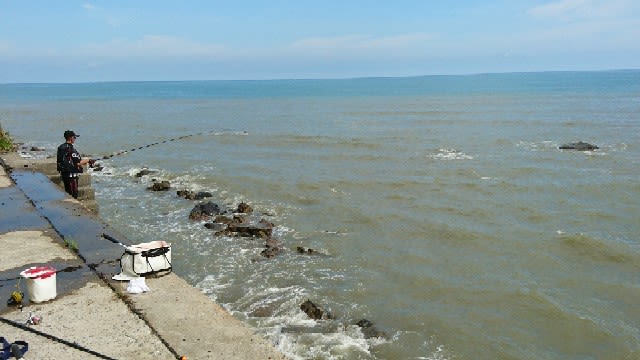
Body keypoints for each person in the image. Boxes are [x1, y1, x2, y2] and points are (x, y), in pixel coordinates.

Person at [56, 130, 94, 198]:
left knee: (68, 193)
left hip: (64, 174)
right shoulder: (71, 149)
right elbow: (78, 163)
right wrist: (88, 160)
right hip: (71, 176)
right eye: (74, 137)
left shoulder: (61, 147)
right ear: (71, 138)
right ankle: (72, 207)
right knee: (73, 195)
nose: (75, 139)